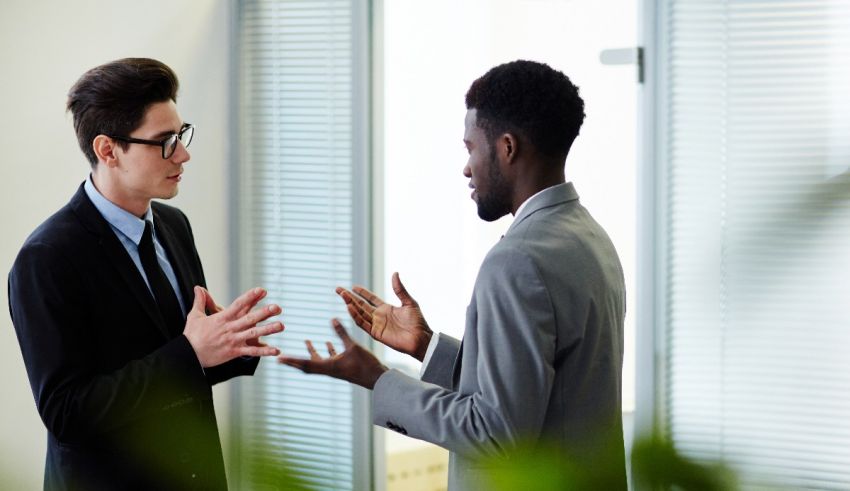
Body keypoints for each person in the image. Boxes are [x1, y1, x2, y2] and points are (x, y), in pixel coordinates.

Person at [279, 60, 627, 489]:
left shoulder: (516, 260)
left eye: (470, 148)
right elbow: (537, 392)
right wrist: (426, 347)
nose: (466, 168)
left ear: (507, 148)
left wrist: (377, 379)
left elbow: (496, 433)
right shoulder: (590, 237)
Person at [8, 58, 284, 491]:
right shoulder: (47, 257)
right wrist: (191, 352)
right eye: (165, 142)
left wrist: (230, 343)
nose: (184, 153)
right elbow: (67, 413)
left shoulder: (174, 225)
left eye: (181, 134)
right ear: (107, 150)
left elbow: (180, 362)